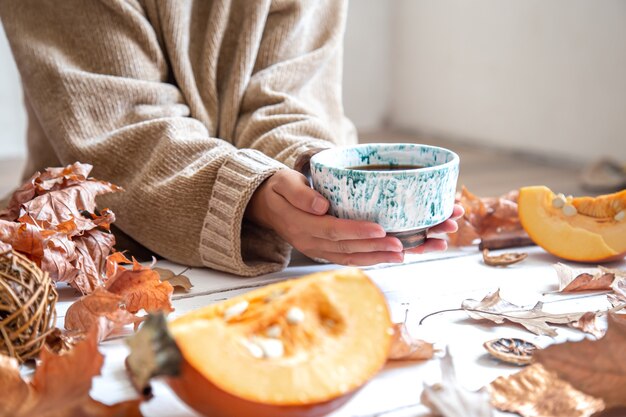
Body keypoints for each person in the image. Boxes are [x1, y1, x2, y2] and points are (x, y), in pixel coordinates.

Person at [0, 0, 462, 277]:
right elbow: (118, 124)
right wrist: (250, 194)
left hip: (282, 263)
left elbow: (291, 92)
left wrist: (318, 177)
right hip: (93, 253)